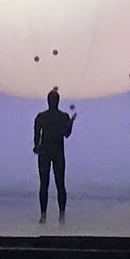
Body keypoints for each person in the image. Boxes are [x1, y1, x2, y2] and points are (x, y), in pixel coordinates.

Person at [33, 89, 76, 223]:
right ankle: (61, 215)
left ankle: (44, 215)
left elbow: (36, 136)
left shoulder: (41, 116)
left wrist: (37, 146)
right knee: (60, 184)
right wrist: (71, 123)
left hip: (45, 152)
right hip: (57, 152)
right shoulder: (63, 117)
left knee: (44, 185)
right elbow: (66, 134)